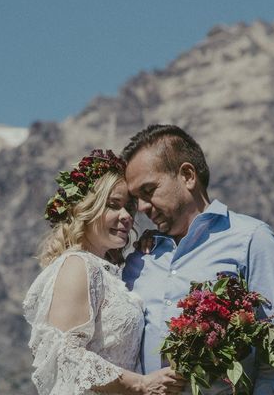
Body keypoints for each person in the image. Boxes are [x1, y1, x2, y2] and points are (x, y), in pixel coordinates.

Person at [122, 125, 274, 394]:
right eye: (137, 199)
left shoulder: (251, 239)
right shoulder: (140, 258)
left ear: (187, 175)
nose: (143, 207)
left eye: (149, 190)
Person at [23, 149, 185, 395]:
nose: (126, 217)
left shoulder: (108, 272)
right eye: (113, 205)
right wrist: (140, 384)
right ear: (87, 208)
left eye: (129, 208)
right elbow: (64, 355)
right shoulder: (78, 265)